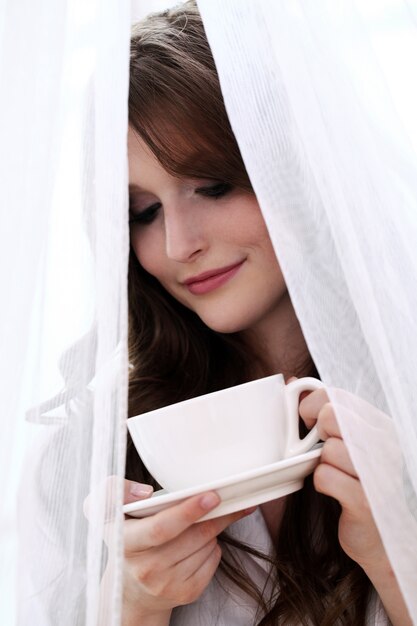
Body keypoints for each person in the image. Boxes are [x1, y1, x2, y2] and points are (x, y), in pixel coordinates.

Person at [122, 2, 411, 625]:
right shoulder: (105, 452)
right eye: (143, 212)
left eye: (214, 185)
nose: (178, 246)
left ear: (300, 168)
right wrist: (133, 606)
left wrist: (401, 562)